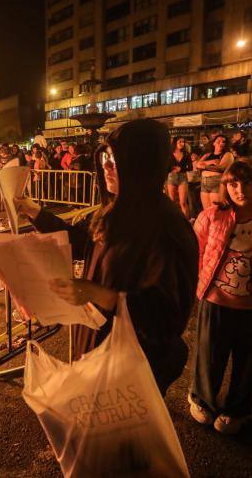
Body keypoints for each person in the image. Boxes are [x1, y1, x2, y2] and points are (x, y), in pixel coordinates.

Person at [14, 118, 199, 394]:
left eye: (117, 159)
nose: (106, 166)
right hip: (98, 349)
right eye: (106, 157)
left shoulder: (167, 229)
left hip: (132, 365)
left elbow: (166, 318)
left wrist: (99, 294)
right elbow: (82, 241)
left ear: (140, 165)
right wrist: (34, 212)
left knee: (119, 434)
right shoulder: (116, 211)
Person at [188, 160, 252, 435]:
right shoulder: (211, 216)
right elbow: (197, 252)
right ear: (225, 187)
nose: (240, 189)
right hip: (216, 300)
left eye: (248, 182)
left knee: (248, 361)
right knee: (209, 356)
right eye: (233, 184)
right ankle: (201, 399)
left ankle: (237, 410)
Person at [195, 134, 234, 211]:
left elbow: (221, 168)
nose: (221, 143)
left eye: (223, 142)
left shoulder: (227, 154)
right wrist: (212, 162)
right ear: (214, 143)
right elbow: (197, 165)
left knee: (216, 210)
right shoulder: (207, 155)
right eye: (218, 141)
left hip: (216, 183)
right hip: (204, 183)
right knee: (207, 211)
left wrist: (205, 165)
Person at [167, 137, 192, 217]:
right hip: (171, 177)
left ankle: (186, 222)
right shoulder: (169, 153)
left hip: (183, 177)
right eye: (180, 142)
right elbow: (165, 167)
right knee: (171, 202)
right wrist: (170, 169)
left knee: (183, 203)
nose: (182, 143)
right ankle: (173, 221)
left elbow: (190, 168)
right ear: (175, 143)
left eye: (183, 142)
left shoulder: (186, 154)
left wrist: (181, 168)